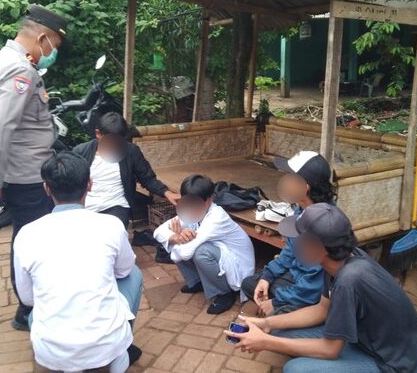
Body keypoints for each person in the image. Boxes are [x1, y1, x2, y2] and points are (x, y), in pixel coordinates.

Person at [226, 203, 417, 373]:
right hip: (364, 341)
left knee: (296, 369)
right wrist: (266, 325)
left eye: (297, 240)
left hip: (389, 365)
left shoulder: (349, 280)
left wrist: (265, 342)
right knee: (278, 329)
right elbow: (321, 310)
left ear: (318, 247)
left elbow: (331, 349)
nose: (288, 243)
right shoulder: (339, 260)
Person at [0, 4, 68, 331]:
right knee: (32, 245)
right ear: (42, 38)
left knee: (25, 239)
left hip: (21, 171)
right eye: (52, 47)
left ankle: (27, 309)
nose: (51, 53)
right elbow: (0, 127)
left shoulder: (1, 60)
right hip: (28, 176)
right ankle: (29, 312)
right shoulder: (21, 71)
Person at [13, 152, 144, 373]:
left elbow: (27, 298)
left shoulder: (26, 234)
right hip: (105, 347)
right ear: (90, 185)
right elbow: (124, 270)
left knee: (36, 312)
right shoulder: (110, 225)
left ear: (47, 188)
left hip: (51, 354)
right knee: (135, 274)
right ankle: (121, 349)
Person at [241, 151, 335, 316]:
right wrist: (267, 277)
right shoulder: (300, 208)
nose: (284, 180)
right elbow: (290, 250)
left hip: (313, 288)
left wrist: (277, 301)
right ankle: (284, 310)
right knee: (252, 284)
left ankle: (290, 314)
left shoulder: (324, 223)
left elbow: (315, 282)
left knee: (277, 300)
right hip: (296, 274)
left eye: (290, 176)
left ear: (305, 187)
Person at [154, 175, 255, 314]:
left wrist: (177, 240)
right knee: (183, 240)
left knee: (200, 252)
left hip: (237, 262)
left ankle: (224, 293)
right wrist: (175, 237)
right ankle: (197, 282)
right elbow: (158, 232)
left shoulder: (217, 217)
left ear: (210, 199)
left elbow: (184, 253)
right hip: (218, 252)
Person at [73, 112, 180, 228]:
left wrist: (167, 193)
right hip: (85, 205)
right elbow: (69, 180)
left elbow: (147, 178)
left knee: (113, 233)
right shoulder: (81, 152)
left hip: (116, 205)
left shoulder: (131, 152)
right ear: (98, 134)